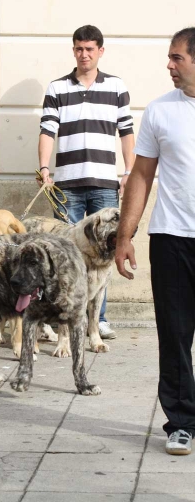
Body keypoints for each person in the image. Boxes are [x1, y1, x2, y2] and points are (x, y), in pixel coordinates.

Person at [115, 27, 195, 456]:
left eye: (176, 58)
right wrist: (125, 235)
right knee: (175, 333)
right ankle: (181, 422)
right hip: (171, 237)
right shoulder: (160, 112)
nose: (169, 65)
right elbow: (141, 175)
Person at [38, 25, 135, 339]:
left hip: (105, 184)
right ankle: (61, 316)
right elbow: (47, 131)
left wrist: (129, 171)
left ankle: (99, 319)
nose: (84, 54)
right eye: (79, 48)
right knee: (63, 253)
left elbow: (127, 133)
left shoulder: (117, 87)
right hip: (66, 186)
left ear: (100, 51)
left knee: (104, 253)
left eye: (90, 49)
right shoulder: (57, 88)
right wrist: (43, 168)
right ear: (74, 50)